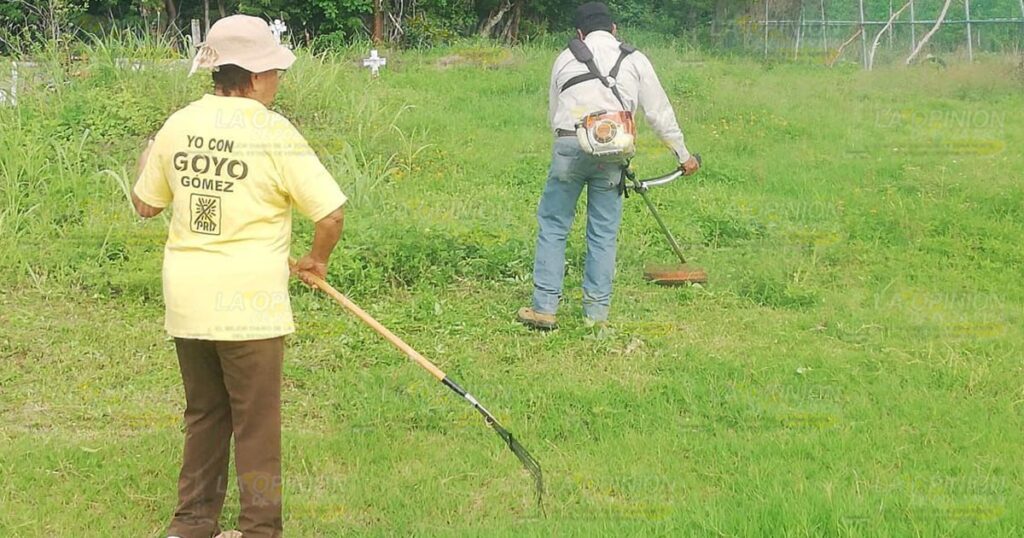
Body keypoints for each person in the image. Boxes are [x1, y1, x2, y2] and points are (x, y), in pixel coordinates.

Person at [131, 15, 347, 538]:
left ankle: (191, 523)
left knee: (205, 414)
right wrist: (316, 260)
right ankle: (259, 528)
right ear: (252, 77)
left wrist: (151, 153)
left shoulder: (178, 123)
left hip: (188, 300)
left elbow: (145, 205)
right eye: (274, 72)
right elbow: (331, 215)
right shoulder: (273, 132)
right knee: (257, 425)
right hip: (251, 306)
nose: (278, 81)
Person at [517, 1, 700, 330]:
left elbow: (554, 113)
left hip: (569, 145)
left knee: (554, 225)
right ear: (614, 29)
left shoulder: (564, 58)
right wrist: (683, 155)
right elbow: (659, 113)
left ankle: (544, 308)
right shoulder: (634, 58)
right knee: (603, 233)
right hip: (613, 151)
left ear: (579, 34)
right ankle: (596, 315)